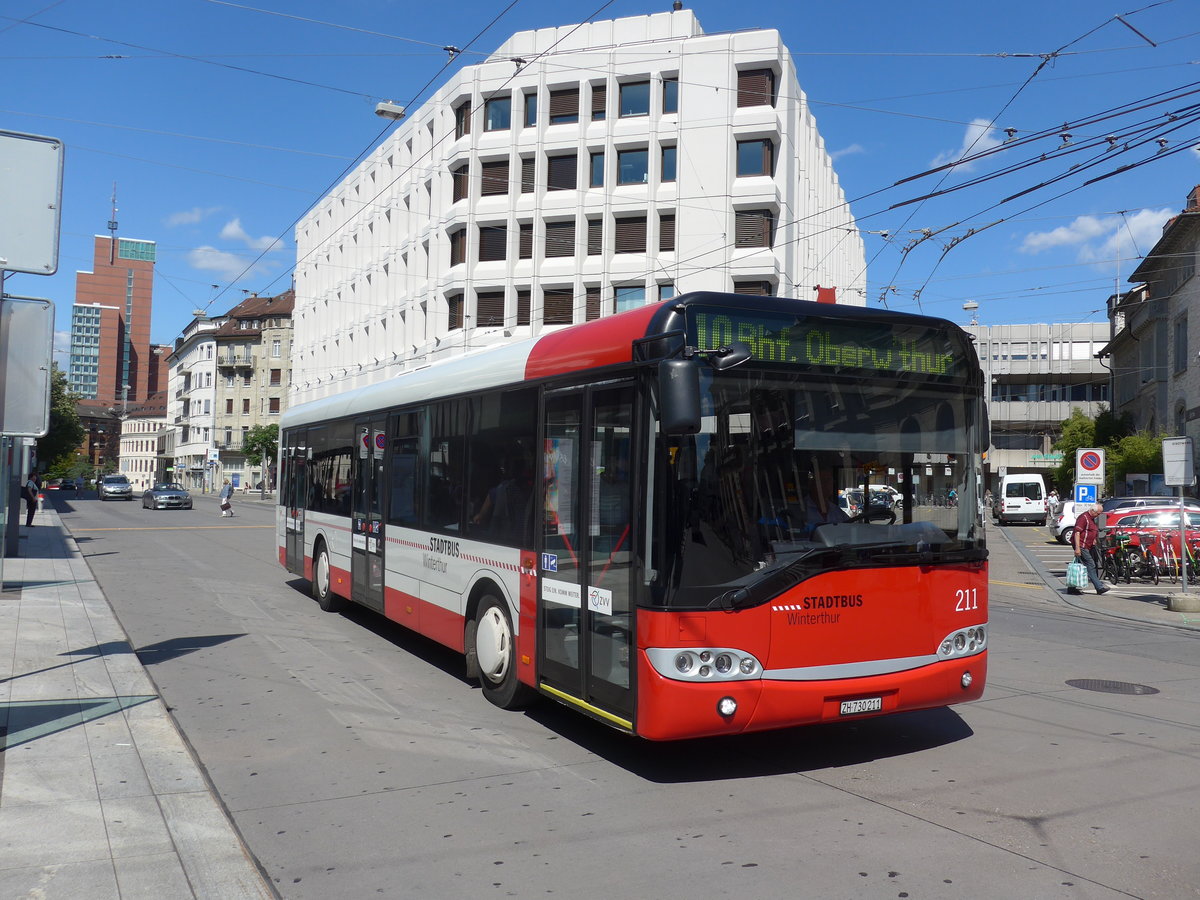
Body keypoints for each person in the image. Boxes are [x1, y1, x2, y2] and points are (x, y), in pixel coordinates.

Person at [1068, 502, 1109, 595]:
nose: (1099, 515)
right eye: (1098, 513)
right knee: (1090, 564)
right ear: (1093, 511)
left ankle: (1071, 587)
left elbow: (1090, 530)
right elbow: (1077, 533)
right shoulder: (1083, 518)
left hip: (1088, 545)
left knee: (1078, 565)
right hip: (1082, 545)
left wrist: (1093, 539)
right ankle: (1099, 587)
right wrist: (1077, 548)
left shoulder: (1091, 518)